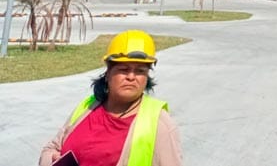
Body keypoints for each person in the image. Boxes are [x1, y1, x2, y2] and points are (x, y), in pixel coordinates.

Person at [40, 30, 182, 166]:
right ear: (108, 73)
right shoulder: (88, 106)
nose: (131, 77)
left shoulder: (159, 123)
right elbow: (52, 148)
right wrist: (51, 160)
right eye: (123, 69)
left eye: (140, 71)